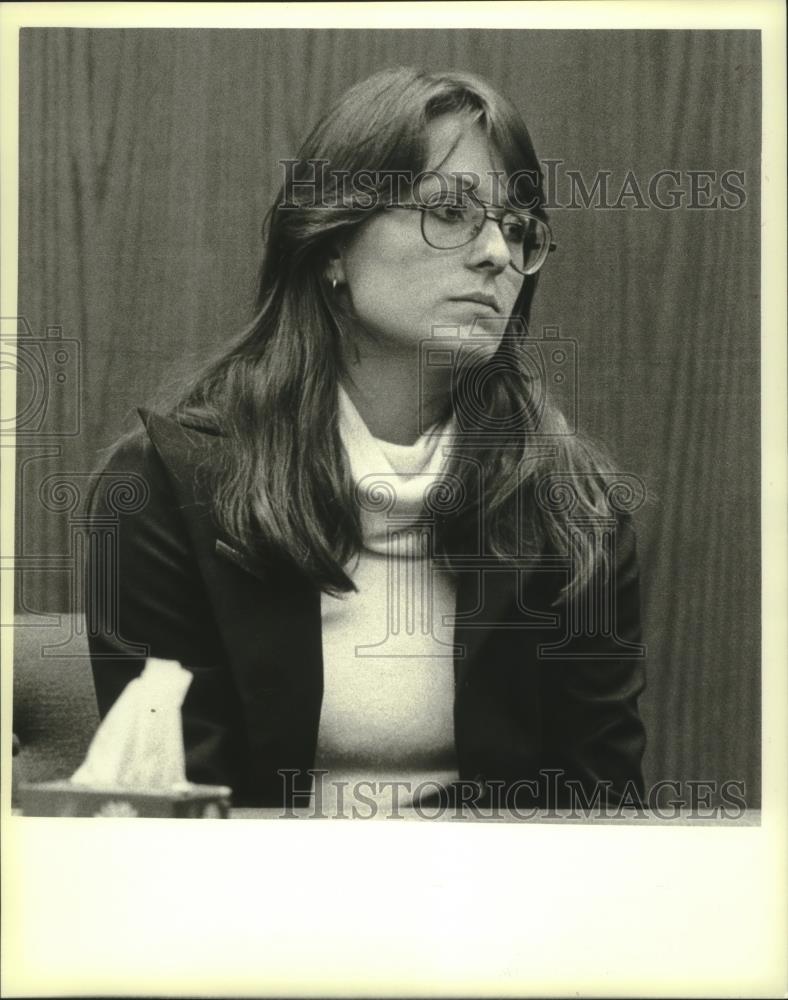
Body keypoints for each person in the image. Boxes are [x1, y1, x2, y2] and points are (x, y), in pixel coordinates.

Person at [85, 66, 647, 816]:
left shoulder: (575, 507)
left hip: (495, 918)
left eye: (518, 229)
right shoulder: (169, 486)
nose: (496, 254)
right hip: (251, 919)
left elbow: (603, 819)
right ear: (332, 249)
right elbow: (182, 820)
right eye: (450, 212)